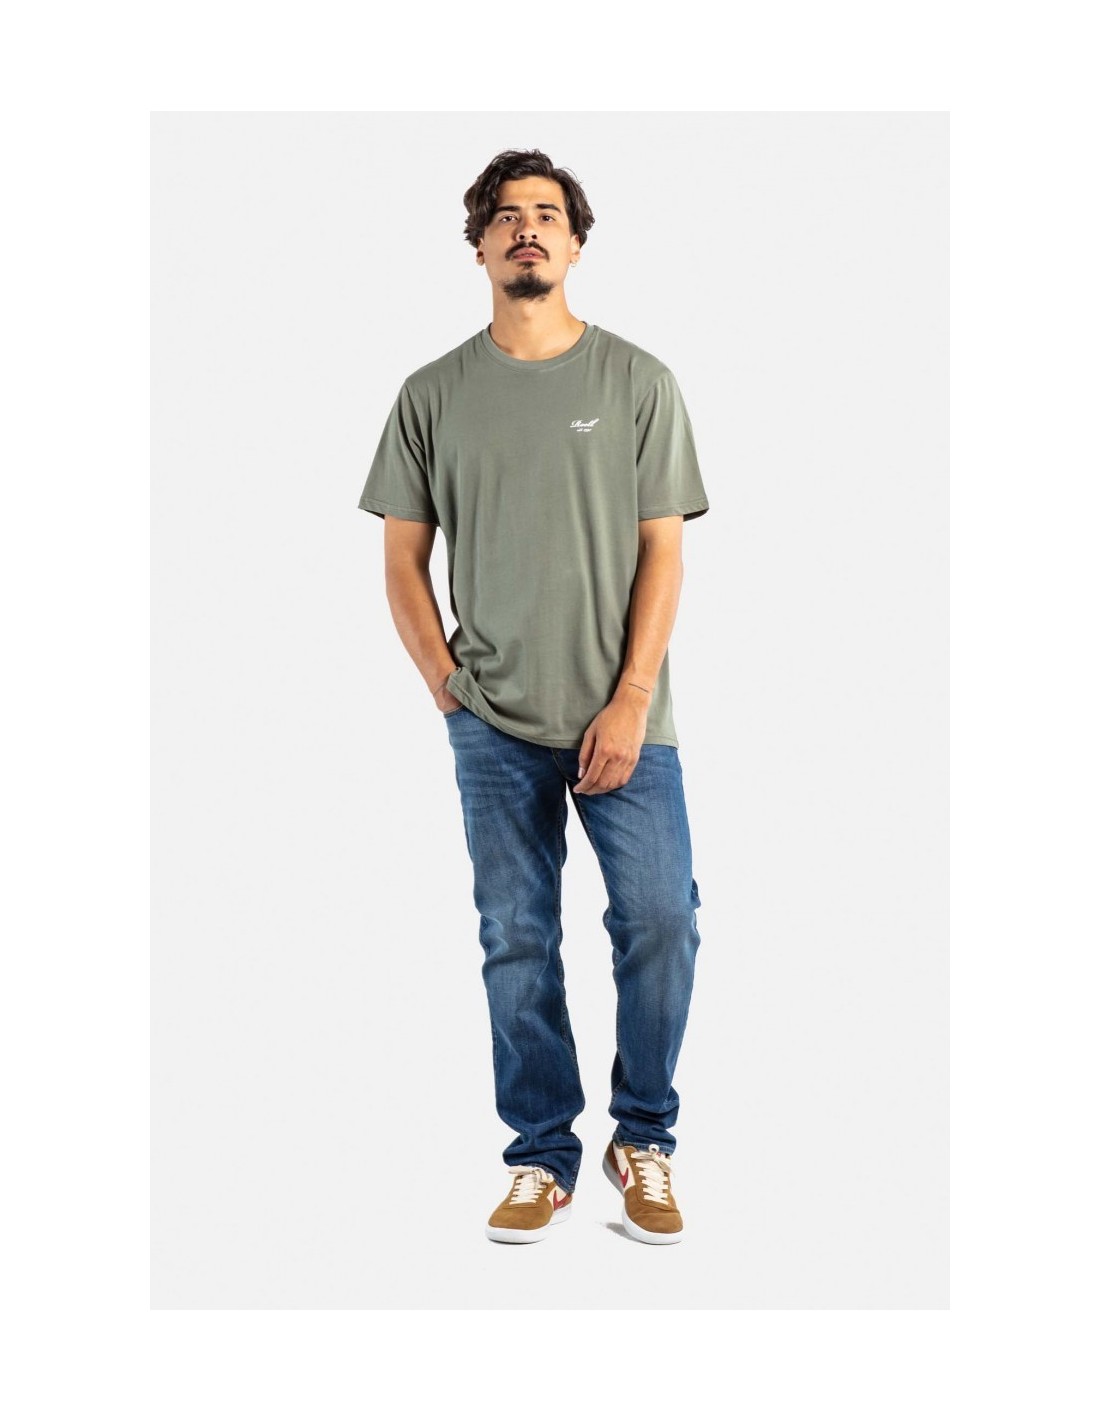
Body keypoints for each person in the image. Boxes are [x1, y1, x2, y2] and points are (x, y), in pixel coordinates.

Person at [358, 149, 709, 1246]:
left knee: (661, 921)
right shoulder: (431, 394)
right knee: (515, 938)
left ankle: (642, 1137)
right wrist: (446, 689)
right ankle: (540, 1156)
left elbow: (663, 552)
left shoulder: (637, 381)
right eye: (505, 216)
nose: (526, 229)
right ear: (478, 246)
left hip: (625, 716)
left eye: (546, 215)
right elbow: (401, 559)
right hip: (493, 723)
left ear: (574, 243)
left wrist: (631, 695)